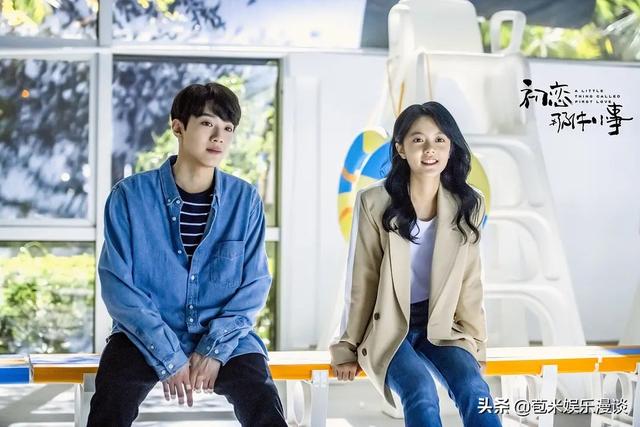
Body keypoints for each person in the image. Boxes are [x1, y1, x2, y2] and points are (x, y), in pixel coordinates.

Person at [88, 82, 287, 426]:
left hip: (225, 336)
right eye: (208, 124)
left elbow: (254, 285)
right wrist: (169, 354)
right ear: (178, 127)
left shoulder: (245, 201)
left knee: (262, 396)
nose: (219, 137)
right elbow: (118, 286)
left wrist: (213, 350)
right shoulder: (129, 197)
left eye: (228, 129)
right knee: (112, 396)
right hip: (144, 334)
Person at [330, 102, 502, 427]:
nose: (429, 149)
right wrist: (346, 348)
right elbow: (362, 279)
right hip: (388, 324)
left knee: (474, 387)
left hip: (441, 324)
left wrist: (476, 346)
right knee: (420, 389)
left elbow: (470, 282)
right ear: (401, 148)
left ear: (451, 147)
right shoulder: (374, 201)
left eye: (440, 140)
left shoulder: (469, 203)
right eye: (418, 140)